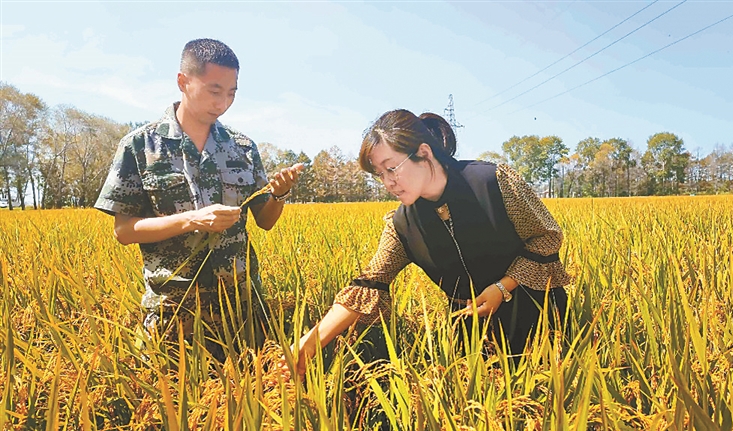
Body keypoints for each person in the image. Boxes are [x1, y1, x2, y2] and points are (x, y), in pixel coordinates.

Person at [287, 109, 571, 376]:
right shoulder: (403, 224)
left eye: (392, 168)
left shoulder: (492, 182)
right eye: (380, 174)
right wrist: (310, 343)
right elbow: (369, 284)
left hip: (540, 322)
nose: (388, 182)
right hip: (471, 337)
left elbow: (546, 238)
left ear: (424, 153)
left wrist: (502, 286)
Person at [95, 38, 303, 359]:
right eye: (214, 91)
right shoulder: (140, 147)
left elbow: (264, 221)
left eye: (231, 93)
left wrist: (279, 194)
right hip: (175, 311)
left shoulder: (243, 147)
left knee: (251, 399)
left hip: (241, 309)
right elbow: (124, 232)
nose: (222, 103)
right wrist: (191, 220)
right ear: (183, 81)